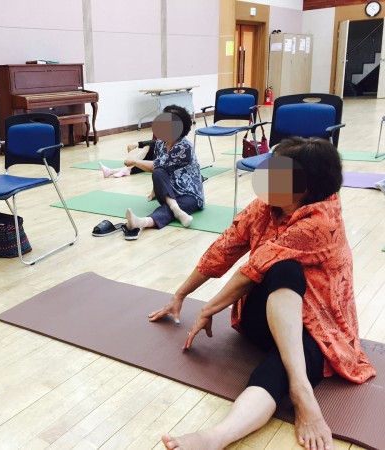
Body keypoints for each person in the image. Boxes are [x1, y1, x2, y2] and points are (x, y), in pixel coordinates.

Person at [149, 137, 376, 450]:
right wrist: (180, 295)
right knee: (283, 270)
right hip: (263, 318)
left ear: (304, 187)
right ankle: (300, 387)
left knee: (289, 339)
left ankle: (218, 436)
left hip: (319, 329)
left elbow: (252, 269)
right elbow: (225, 249)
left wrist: (208, 308)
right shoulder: (266, 205)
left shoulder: (321, 221)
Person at [124, 105, 205, 237]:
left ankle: (141, 222)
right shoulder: (161, 143)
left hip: (190, 194)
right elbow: (158, 169)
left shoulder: (184, 147)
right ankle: (176, 209)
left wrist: (134, 161)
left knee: (169, 208)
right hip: (168, 191)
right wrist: (154, 190)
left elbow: (155, 165)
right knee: (159, 172)